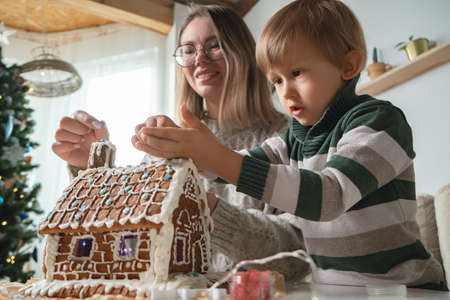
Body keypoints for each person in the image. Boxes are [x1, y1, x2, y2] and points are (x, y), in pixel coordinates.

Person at [134, 0, 447, 289]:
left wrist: (215, 157)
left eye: (296, 73)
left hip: (406, 289)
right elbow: (239, 162)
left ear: (348, 66)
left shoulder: (379, 122)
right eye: (277, 81)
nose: (285, 92)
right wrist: (186, 153)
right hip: (332, 290)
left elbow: (328, 196)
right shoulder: (294, 135)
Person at [52, 5, 310, 282]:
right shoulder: (169, 140)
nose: (199, 58)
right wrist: (92, 169)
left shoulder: (291, 139)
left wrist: (204, 209)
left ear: (243, 52)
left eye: (214, 46)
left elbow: (299, 255)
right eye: (188, 50)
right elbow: (124, 236)